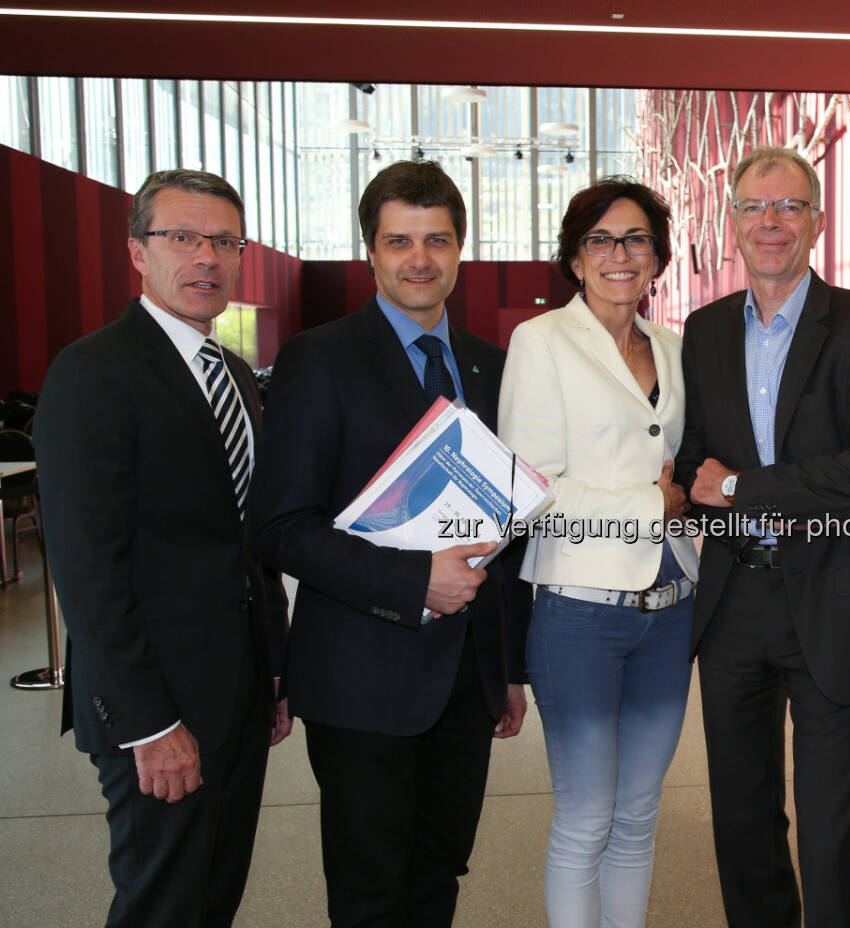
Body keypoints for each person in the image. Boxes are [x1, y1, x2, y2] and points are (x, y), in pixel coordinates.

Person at [247, 160, 531, 928]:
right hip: (361, 677)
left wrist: (507, 667)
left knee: (440, 872)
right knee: (371, 889)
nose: (420, 259)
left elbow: (499, 533)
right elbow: (278, 527)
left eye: (437, 239)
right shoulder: (321, 359)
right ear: (370, 251)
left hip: (466, 680)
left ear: (460, 248)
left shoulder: (493, 366)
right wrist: (414, 582)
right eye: (399, 240)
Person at [33, 169, 291, 928]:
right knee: (163, 903)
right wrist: (147, 723)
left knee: (214, 894)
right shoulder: (95, 373)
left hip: (237, 690)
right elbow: (86, 570)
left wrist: (270, 669)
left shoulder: (235, 374)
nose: (205, 257)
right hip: (158, 704)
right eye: (181, 237)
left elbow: (242, 539)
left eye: (223, 241)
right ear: (138, 253)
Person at [675, 146, 850, 927]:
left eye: (789, 206)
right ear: (731, 221)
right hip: (733, 598)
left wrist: (741, 488)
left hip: (828, 598)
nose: (771, 222)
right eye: (754, 207)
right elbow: (691, 460)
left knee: (829, 831)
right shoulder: (703, 332)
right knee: (741, 820)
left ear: (817, 221)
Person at [497, 176, 698, 927]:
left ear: (658, 256)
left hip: (671, 610)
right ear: (576, 259)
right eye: (602, 240)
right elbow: (532, 487)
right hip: (581, 612)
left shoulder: (674, 348)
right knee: (586, 818)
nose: (621, 254)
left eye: (637, 239)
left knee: (641, 816)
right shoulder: (541, 342)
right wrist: (656, 504)